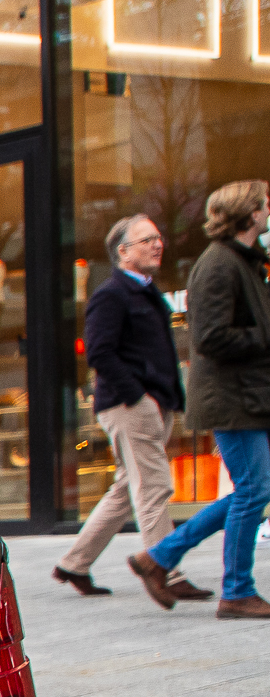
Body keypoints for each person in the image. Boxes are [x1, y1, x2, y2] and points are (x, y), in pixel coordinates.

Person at [133, 179, 270, 619]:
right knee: (253, 490)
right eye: (265, 205)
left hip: (250, 395)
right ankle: (236, 591)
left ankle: (159, 557)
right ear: (249, 214)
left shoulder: (244, 262)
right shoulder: (219, 264)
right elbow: (210, 338)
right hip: (233, 398)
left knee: (252, 490)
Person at [55, 214, 207, 599]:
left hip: (152, 404)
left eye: (158, 237)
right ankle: (165, 571)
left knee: (126, 489)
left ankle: (75, 563)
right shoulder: (111, 294)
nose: (157, 244)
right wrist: (138, 398)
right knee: (154, 486)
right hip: (130, 406)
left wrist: (165, 400)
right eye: (145, 240)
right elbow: (100, 352)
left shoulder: (147, 291)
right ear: (123, 252)